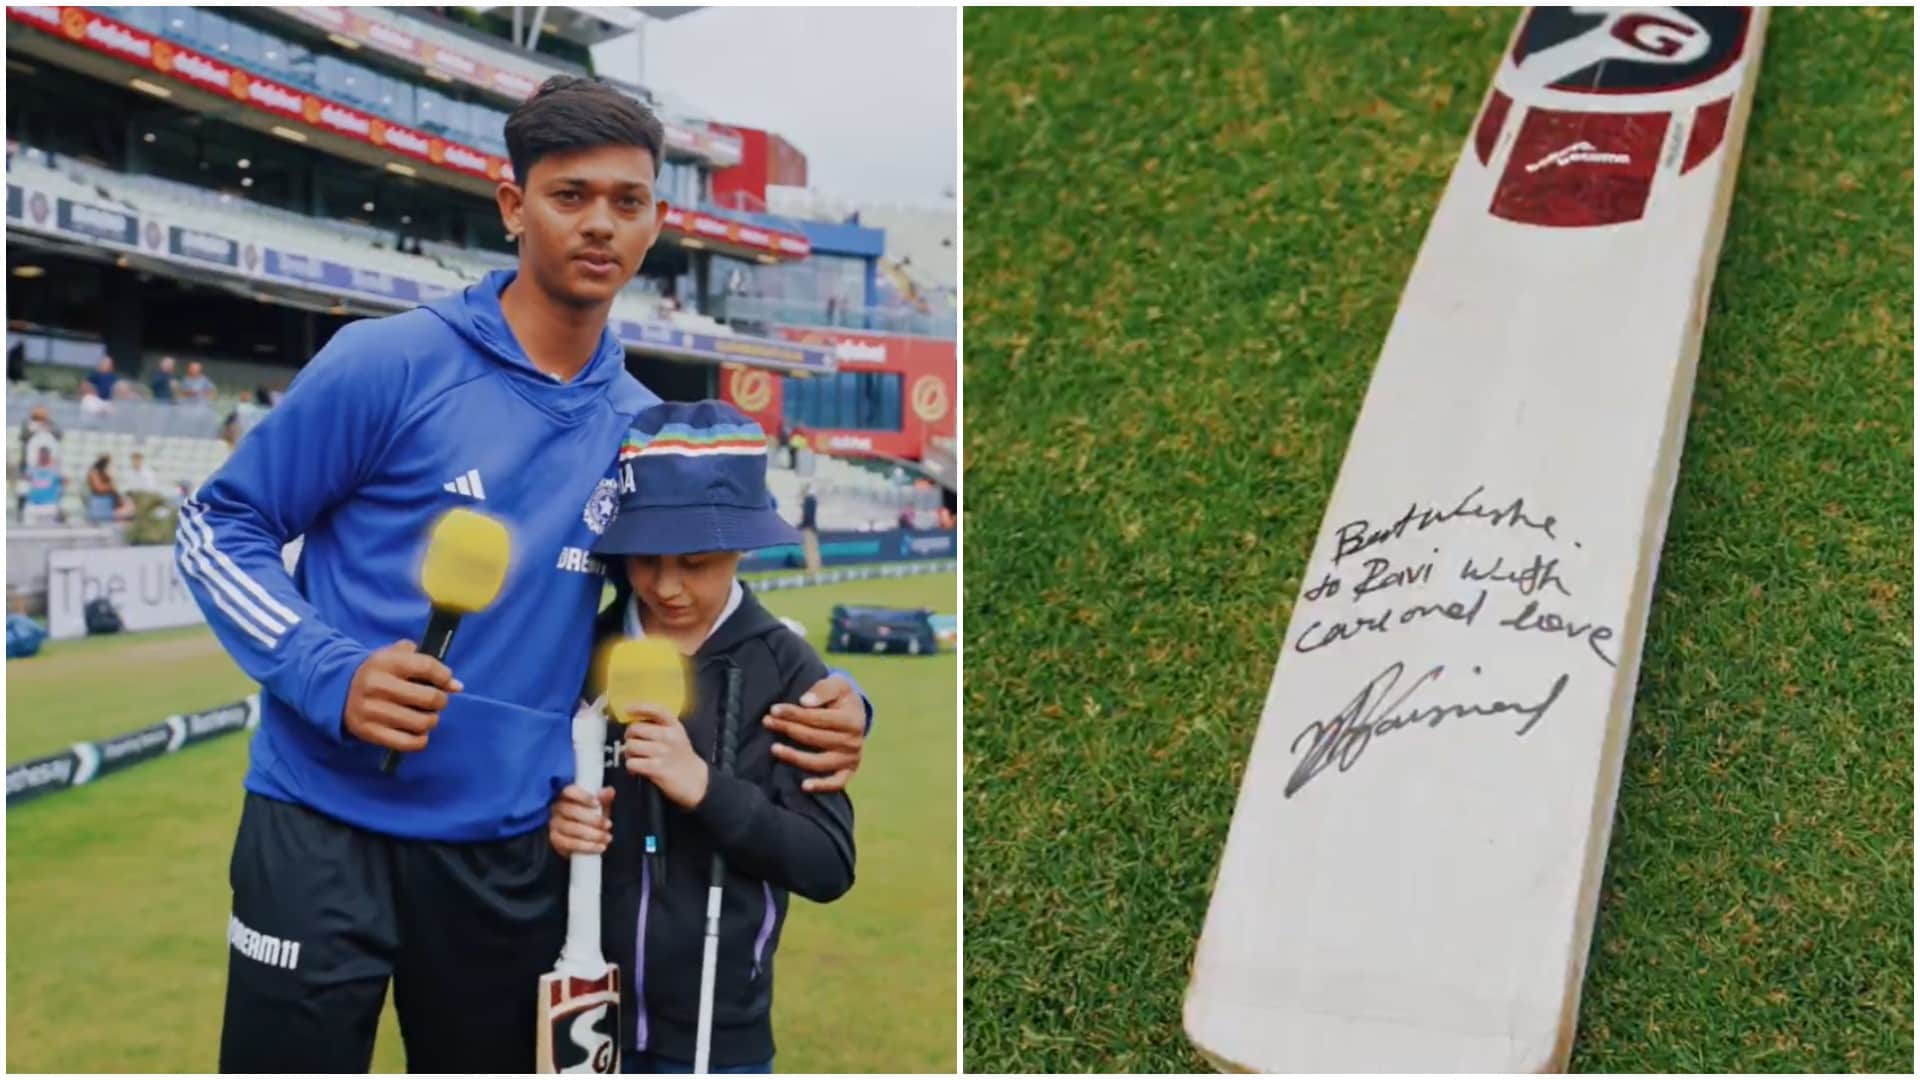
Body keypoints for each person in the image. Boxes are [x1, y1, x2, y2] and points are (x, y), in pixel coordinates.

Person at [178, 76, 871, 1074]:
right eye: (569, 194)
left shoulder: (641, 433)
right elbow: (219, 523)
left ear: (657, 223)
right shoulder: (389, 363)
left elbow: (692, 616)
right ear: (514, 206)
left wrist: (843, 700)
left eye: (627, 202)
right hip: (318, 825)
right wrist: (333, 673)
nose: (601, 224)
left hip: (509, 855)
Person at [549, 402, 854, 1073]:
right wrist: (556, 828)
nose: (667, 585)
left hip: (723, 1041)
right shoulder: (580, 648)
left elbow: (828, 865)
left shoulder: (787, 668)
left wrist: (705, 789)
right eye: (645, 559)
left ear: (742, 545)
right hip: (578, 1016)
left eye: (697, 561)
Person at [20, 445, 62, 525]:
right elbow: (24, 477)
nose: (42, 456)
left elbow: (65, 481)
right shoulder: (33, 468)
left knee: (48, 532)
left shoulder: (55, 469)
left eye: (45, 454)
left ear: (48, 455)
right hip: (33, 504)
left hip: (49, 505)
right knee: (28, 530)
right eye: (41, 454)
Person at [85, 454, 132, 523]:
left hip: (110, 501)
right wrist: (111, 486)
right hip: (100, 502)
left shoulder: (104, 472)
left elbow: (112, 483)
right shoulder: (94, 472)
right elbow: (99, 488)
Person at [800, 483, 823, 574]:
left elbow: (807, 515)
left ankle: (812, 568)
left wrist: (801, 525)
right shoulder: (813, 500)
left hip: (808, 527)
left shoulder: (808, 500)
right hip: (812, 527)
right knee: (814, 549)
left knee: (809, 549)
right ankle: (816, 567)